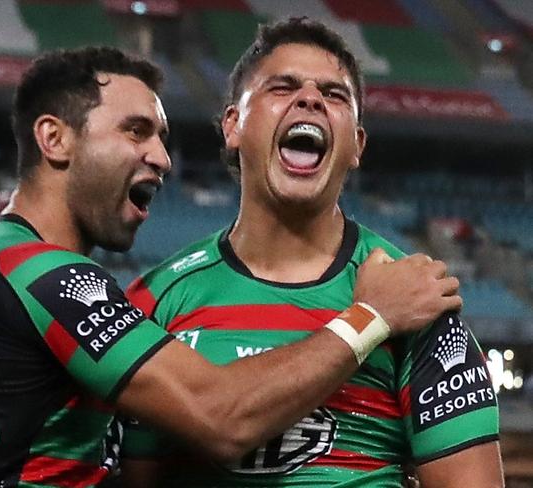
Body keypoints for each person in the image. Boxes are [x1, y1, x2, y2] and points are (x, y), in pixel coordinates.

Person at [0, 45, 463, 488]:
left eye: (161, 137)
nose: (161, 156)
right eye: (135, 131)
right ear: (54, 139)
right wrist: (371, 316)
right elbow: (222, 417)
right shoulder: (47, 276)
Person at [117, 18, 504, 488]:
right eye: (282, 87)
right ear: (233, 125)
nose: (310, 99)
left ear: (356, 144)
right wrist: (369, 318)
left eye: (334, 94)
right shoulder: (155, 300)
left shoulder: (420, 301)